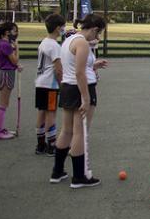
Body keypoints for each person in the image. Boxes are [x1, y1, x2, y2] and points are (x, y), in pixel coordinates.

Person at [50, 14, 108, 187]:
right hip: (79, 88)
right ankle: (79, 176)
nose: (96, 38)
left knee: (66, 131)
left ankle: (57, 171)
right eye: (98, 34)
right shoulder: (82, 42)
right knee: (79, 132)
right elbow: (79, 73)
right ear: (94, 29)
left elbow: (76, 66)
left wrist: (94, 65)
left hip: (68, 87)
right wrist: (86, 97)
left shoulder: (69, 39)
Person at [35, 14, 65, 155]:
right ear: (58, 28)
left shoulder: (44, 42)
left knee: (41, 112)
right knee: (51, 114)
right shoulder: (54, 46)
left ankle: (40, 144)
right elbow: (58, 69)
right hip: (50, 85)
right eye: (63, 27)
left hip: (40, 83)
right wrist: (62, 85)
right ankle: (51, 145)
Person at [0, 22, 20, 140]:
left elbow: (10, 62)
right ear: (7, 32)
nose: (16, 33)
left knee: (4, 103)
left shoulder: (4, 44)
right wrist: (17, 48)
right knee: (3, 104)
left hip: (7, 73)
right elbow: (14, 60)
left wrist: (17, 66)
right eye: (14, 31)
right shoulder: (6, 45)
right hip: (6, 75)